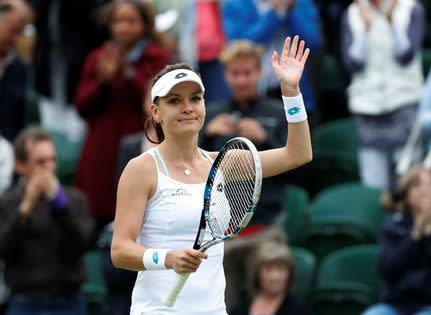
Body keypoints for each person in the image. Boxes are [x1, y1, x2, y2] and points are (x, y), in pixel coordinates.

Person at [111, 35, 312, 314]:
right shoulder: (141, 168)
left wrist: (291, 92)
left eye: (195, 98)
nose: (187, 107)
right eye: (174, 100)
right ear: (156, 111)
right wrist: (167, 258)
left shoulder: (223, 164)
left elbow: (298, 154)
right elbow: (120, 250)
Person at [74, 0, 172, 228]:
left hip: (141, 144)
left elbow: (157, 103)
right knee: (100, 210)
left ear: (145, 25)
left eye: (131, 21)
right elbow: (82, 105)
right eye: (118, 21)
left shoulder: (158, 57)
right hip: (101, 149)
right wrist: (104, 81)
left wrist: (129, 74)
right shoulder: (98, 58)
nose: (123, 28)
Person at [0, 127, 94, 315]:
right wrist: (25, 210)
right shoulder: (8, 202)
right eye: (41, 162)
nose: (49, 167)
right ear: (20, 165)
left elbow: (83, 243)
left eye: (52, 160)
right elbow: (4, 249)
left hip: (69, 301)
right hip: (25, 302)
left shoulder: (75, 199)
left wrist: (60, 205)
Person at [200, 39, 288, 227]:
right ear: (225, 75)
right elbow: (192, 166)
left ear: (259, 72)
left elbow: (298, 170)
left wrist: (266, 139)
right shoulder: (212, 113)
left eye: (247, 73)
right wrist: (206, 135)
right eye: (235, 73)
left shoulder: (278, 112)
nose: (241, 80)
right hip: (219, 217)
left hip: (266, 215)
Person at [341, 0, 426, 189]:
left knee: (408, 184)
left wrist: (392, 22)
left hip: (404, 102)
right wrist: (365, 29)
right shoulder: (353, 13)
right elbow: (352, 63)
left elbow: (406, 55)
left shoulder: (411, 8)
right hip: (367, 108)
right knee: (373, 185)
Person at [363, 166, 431, 315]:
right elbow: (387, 269)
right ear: (406, 194)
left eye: (430, 185)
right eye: (416, 185)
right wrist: (415, 236)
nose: (424, 191)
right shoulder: (393, 226)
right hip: (397, 303)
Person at [221, 0, 322, 118]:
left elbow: (313, 44)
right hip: (253, 94)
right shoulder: (235, 4)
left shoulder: (300, 3)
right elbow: (238, 47)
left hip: (294, 88)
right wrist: (273, 14)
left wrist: (290, 11)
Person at [230, 241, 309, 315]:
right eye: (268, 269)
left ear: (289, 273)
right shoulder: (240, 309)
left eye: (280, 269)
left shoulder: (299, 311)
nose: (274, 276)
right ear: (257, 273)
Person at [0, 0, 30, 142]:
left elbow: (18, 121)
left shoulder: (19, 68)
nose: (17, 39)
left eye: (21, 33)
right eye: (13, 31)